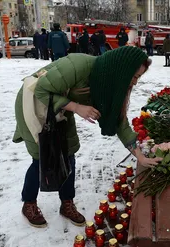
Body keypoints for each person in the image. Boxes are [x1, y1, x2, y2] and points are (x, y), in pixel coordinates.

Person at [13, 46, 161, 228]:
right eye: (135, 76)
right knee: (42, 158)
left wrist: (140, 156)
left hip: (61, 109)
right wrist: (77, 107)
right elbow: (41, 90)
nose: (135, 82)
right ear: (122, 69)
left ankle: (67, 203)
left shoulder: (112, 85)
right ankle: (29, 203)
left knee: (69, 153)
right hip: (35, 104)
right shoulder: (78, 65)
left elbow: (119, 122)